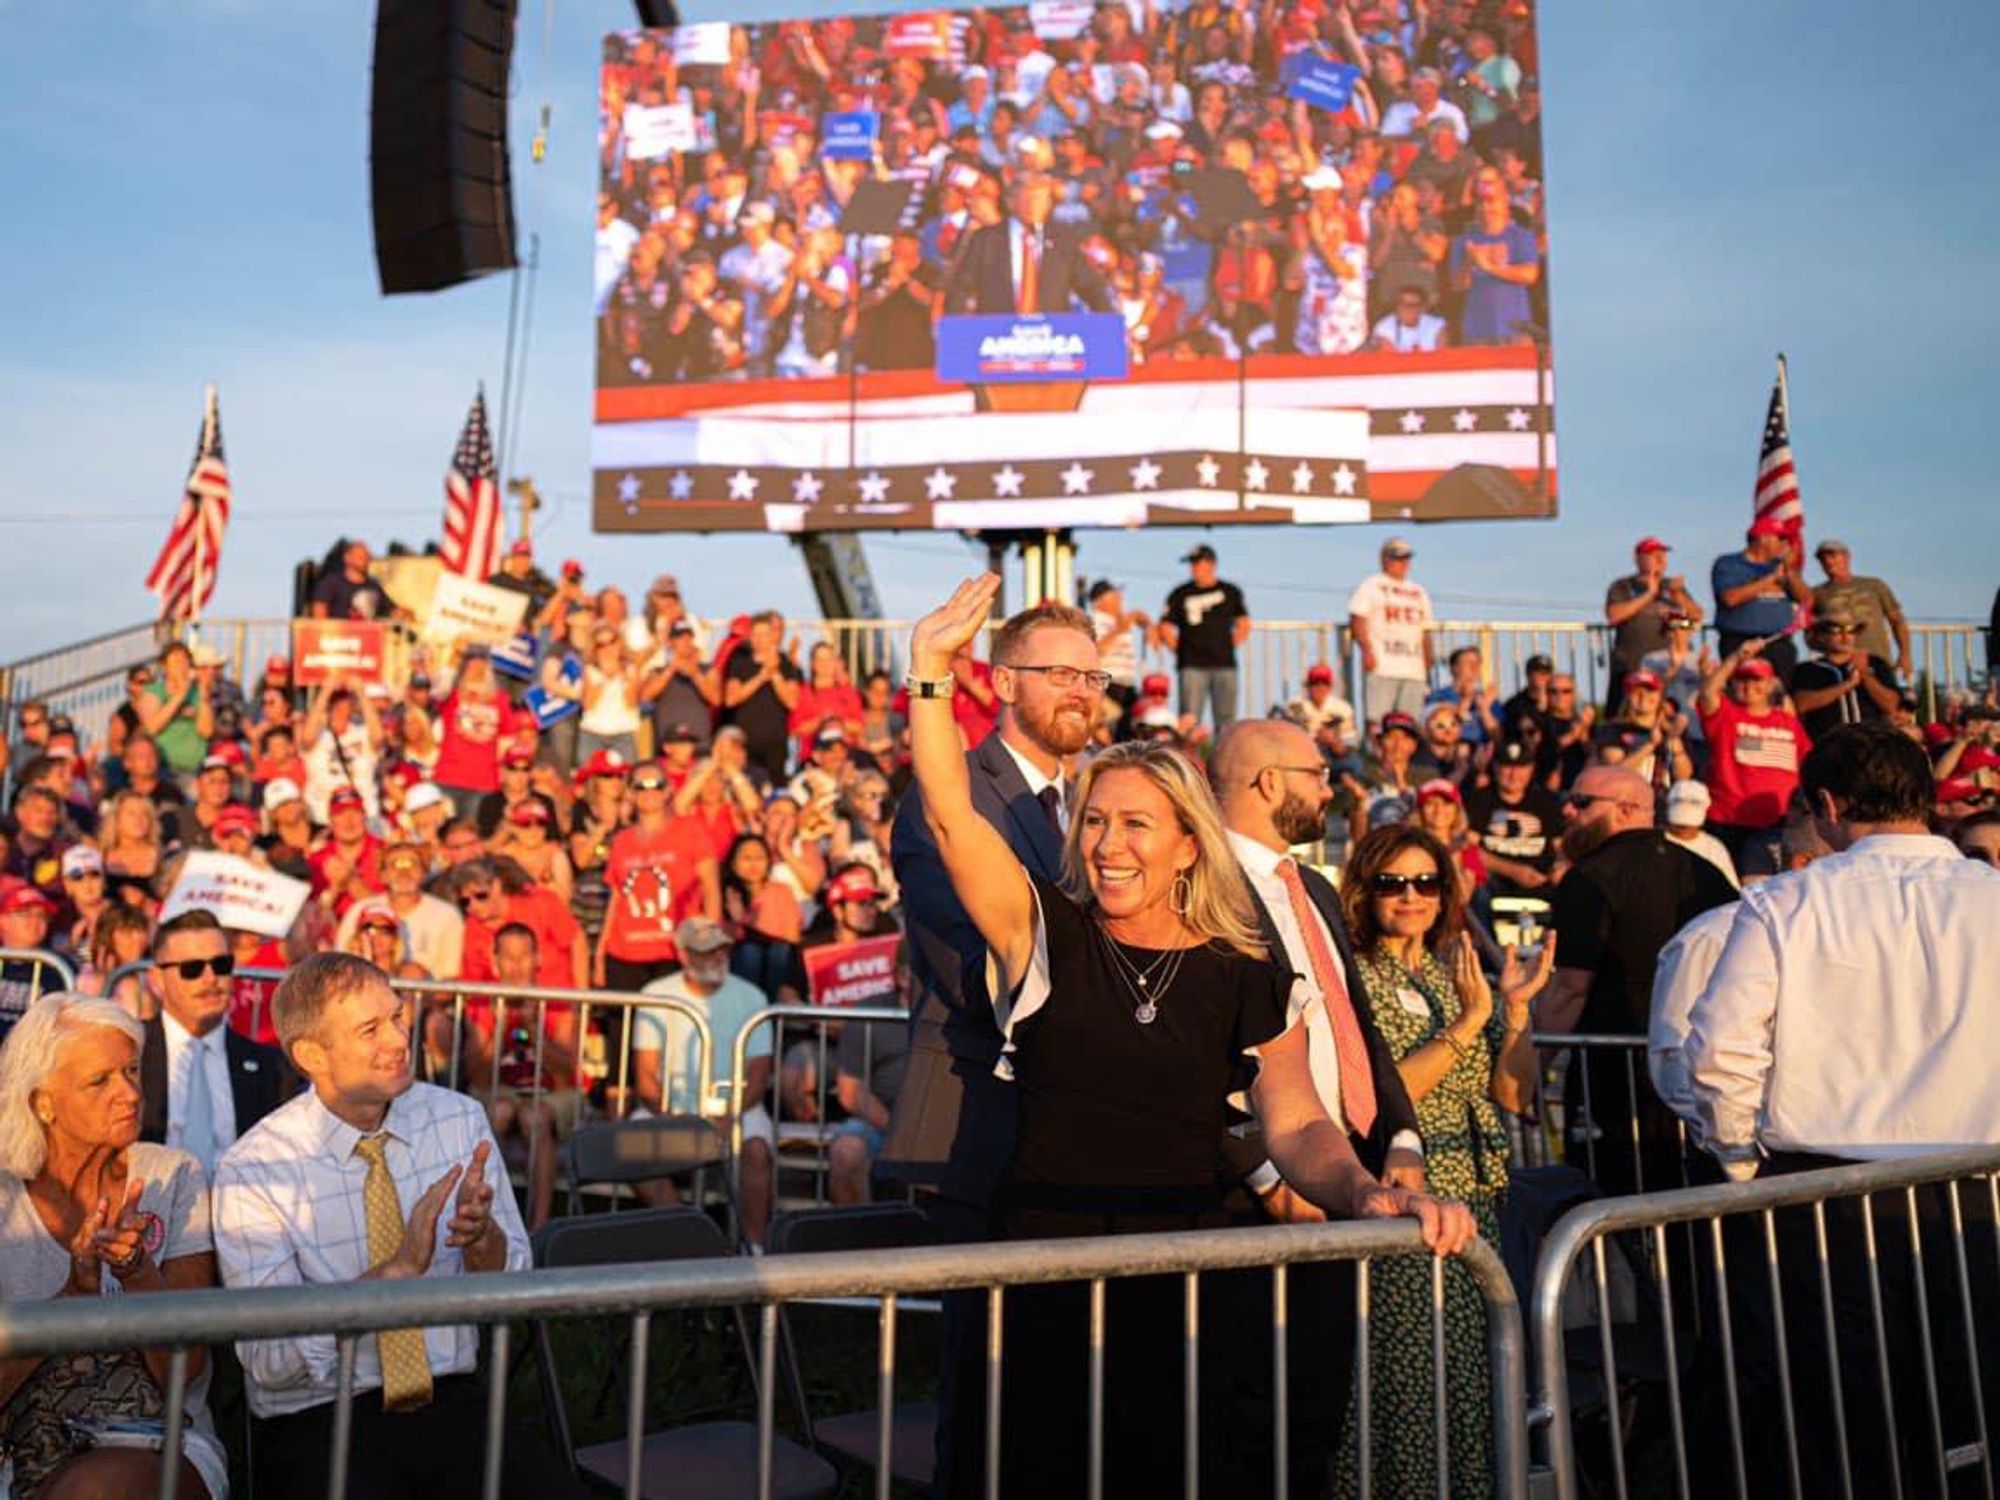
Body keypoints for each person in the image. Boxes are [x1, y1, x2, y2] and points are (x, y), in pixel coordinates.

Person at [901, 574, 1472, 1496]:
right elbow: (946, 815)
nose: (1107, 844)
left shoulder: (1242, 967)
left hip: (1191, 1284)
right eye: (1092, 822)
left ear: (1188, 843)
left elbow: (1295, 1124)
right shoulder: (1043, 932)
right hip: (1047, 1284)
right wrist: (931, 671)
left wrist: (1363, 1192)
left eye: (1135, 824)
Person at [1685, 724, 2000, 1495]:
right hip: (1975, 1191)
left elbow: (1721, 1053)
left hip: (1823, 1192)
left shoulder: (1786, 902)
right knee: (1974, 1408)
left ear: (1826, 805)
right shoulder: (1993, 897)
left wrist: (1738, 1161)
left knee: (1842, 1422)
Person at [212, 953, 578, 1499]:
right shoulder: (255, 1166)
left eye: (398, 1016)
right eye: (370, 1028)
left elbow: (512, 1292)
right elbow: (270, 1362)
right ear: (312, 1054)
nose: (399, 1038)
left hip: (449, 1399)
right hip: (320, 1418)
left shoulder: (456, 1118)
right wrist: (393, 1275)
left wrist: (484, 1243)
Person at [1210, 718, 1432, 1495]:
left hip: (1342, 1179)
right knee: (1247, 1426)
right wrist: (1268, 1169)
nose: (1330, 786)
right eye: (1317, 771)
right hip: (1253, 1199)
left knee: (1315, 1414)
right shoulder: (1200, 882)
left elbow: (1354, 1023)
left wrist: (1400, 1135)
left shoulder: (1313, 889)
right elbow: (1197, 1050)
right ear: (1269, 783)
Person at [1336, 824, 1553, 1500]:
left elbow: (1517, 1095)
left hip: (1475, 1208)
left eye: (1426, 883)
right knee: (1404, 1381)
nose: (1411, 897)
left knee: (1469, 1377)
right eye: (1392, 883)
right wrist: (1465, 1027)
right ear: (1364, 891)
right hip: (1402, 1205)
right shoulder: (1352, 976)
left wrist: (1512, 1011)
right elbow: (1378, 1097)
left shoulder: (1449, 972)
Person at [0, 994, 231, 1500]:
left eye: (131, 1070)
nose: (129, 1092)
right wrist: (71, 1302)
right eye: (100, 1080)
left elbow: (184, 1368)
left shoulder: (172, 1175)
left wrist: (136, 1272)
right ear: (43, 1102)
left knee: (97, 1491)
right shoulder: (3, 1197)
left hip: (159, 1439)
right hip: (18, 1449)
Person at [1539, 765, 1736, 1193]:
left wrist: (1530, 1069)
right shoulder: (1708, 874)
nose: (1568, 812)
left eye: (1582, 802)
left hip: (1612, 1081)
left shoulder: (1588, 879)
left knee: (1607, 1206)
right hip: (1695, 1081)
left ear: (1627, 809)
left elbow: (1570, 988)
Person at [632, 917, 776, 1248]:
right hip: (671, 1107)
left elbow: (758, 1074)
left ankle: (754, 1247)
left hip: (738, 1105)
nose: (718, 957)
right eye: (707, 950)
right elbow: (645, 1078)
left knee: (755, 1149)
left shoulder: (751, 996)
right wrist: (675, 1120)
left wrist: (730, 1114)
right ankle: (686, 1237)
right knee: (628, 1149)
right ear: (683, 955)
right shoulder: (655, 994)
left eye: (722, 948)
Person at [139, 910, 297, 1175]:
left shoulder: (273, 1068)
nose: (211, 978)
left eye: (221, 965)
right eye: (192, 969)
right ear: (157, 980)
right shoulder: (131, 1055)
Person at [462, 925, 583, 1230]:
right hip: (500, 1091)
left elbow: (567, 1074)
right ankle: (491, 1221)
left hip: (551, 1093)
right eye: (508, 957)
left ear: (537, 958)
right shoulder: (481, 1003)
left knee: (535, 1118)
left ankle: (538, 1227)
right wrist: (500, 1028)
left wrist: (534, 1028)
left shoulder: (558, 1000)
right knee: (497, 1113)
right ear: (495, 961)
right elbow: (476, 1076)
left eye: (524, 956)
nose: (516, 966)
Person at [594, 758, 720, 991]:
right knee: (623, 1027)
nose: (648, 792)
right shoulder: (621, 841)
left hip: (674, 951)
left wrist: (709, 944)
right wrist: (601, 953)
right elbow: (616, 899)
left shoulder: (691, 830)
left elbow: (711, 890)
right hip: (624, 954)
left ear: (668, 790)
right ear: (630, 793)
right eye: (640, 786)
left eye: (656, 785)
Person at [1697, 639, 1811, 878]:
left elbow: (1808, 761)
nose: (1748, 685)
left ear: (1770, 685)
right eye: (1742, 679)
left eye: (1756, 679)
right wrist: (1735, 657)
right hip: (1729, 821)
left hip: (1776, 823)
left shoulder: (1788, 721)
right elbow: (1708, 693)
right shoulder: (1726, 715)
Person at [942, 171, 1113, 315]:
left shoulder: (1064, 241)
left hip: (1052, 339)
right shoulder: (986, 240)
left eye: (1039, 199)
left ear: (1048, 204)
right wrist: (953, 329)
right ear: (1011, 202)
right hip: (998, 339)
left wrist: (1110, 324)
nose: (1032, 206)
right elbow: (960, 288)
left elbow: (1091, 286)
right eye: (1026, 199)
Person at [1602, 537, 1703, 716]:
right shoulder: (1623, 586)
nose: (1660, 559)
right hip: (1633, 664)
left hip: (1670, 667)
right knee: (1625, 714)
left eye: (1663, 555)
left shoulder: (1673, 588)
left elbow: (1695, 620)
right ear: (1638, 559)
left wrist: (1677, 597)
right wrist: (1649, 594)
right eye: (1653, 555)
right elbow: (1614, 616)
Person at [336, 843, 465, 982]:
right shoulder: (360, 910)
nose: (404, 873)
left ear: (424, 872)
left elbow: (451, 976)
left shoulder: (446, 915)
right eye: (394, 865)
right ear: (383, 875)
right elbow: (340, 964)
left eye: (413, 864)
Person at [1157, 544, 1250, 731]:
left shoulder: (1230, 591)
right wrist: (1180, 650)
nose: (1193, 568)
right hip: (1192, 665)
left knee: (1226, 724)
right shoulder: (1180, 593)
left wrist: (1227, 646)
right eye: (1191, 563)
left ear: (1211, 564)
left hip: (1224, 664)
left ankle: (1224, 760)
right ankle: (1188, 759)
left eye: (1197, 562)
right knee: (1189, 721)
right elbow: (1165, 626)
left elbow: (1244, 624)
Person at [1347, 537, 1435, 726]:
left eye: (1406, 558)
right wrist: (1366, 650)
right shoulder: (1371, 584)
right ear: (1385, 559)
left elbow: (1426, 629)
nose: (1403, 563)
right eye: (1397, 558)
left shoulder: (1419, 591)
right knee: (1378, 721)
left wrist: (1428, 659)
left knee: (1409, 722)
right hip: (1383, 664)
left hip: (1413, 668)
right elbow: (1357, 618)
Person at [1710, 517, 1810, 677]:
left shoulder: (1781, 566)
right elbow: (1730, 598)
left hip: (1778, 642)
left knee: (1780, 694)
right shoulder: (1729, 564)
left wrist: (1791, 572)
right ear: (1763, 538)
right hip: (1740, 642)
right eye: (1781, 538)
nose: (1785, 544)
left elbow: (1806, 599)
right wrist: (1771, 579)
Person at [1787, 606, 1902, 741]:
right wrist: (1846, 685)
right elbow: (1801, 704)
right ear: (1822, 636)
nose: (1844, 636)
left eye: (1850, 630)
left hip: (1872, 744)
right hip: (1828, 745)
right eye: (1835, 630)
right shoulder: (1808, 669)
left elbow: (1891, 705)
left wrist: (1864, 674)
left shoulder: (1875, 664)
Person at [1465, 739, 1563, 896]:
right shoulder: (1479, 800)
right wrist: (1513, 871)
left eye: (1521, 767)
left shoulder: (1548, 801)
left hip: (1542, 882)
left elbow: (1561, 847)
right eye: (1507, 767)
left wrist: (1559, 868)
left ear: (1532, 769)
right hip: (1493, 882)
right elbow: (1470, 847)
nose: (1514, 775)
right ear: (1495, 768)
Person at [721, 612, 802, 781]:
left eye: (764, 634)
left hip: (775, 743)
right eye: (755, 634)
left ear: (773, 636)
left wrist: (774, 674)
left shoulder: (786, 664)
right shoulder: (739, 662)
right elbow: (731, 699)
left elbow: (792, 702)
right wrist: (760, 677)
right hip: (745, 741)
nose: (760, 639)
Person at [1810, 539, 1910, 677]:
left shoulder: (1874, 585)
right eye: (1823, 558)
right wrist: (1831, 648)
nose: (1828, 561)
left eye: (1833, 556)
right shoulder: (1816, 593)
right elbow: (1809, 633)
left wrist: (1905, 655)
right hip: (1840, 667)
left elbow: (1897, 620)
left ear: (1846, 557)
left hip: (1877, 660)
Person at [1085, 579, 1148, 725]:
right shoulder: (1094, 621)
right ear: (1100, 601)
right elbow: (1094, 651)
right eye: (1114, 595)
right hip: (1108, 684)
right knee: (1113, 726)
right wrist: (1121, 629)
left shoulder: (1116, 621)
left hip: (1125, 684)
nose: (1120, 599)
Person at [1660, 779, 1738, 887]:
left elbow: (1731, 890)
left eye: (1689, 825)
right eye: (1679, 825)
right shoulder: (1651, 842)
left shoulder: (1714, 848)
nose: (1685, 829)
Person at [308, 539, 396, 620]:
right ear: (347, 558)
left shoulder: (374, 586)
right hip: (339, 635)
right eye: (360, 556)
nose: (365, 559)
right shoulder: (330, 583)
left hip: (369, 634)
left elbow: (391, 610)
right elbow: (319, 615)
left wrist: (401, 613)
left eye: (366, 556)